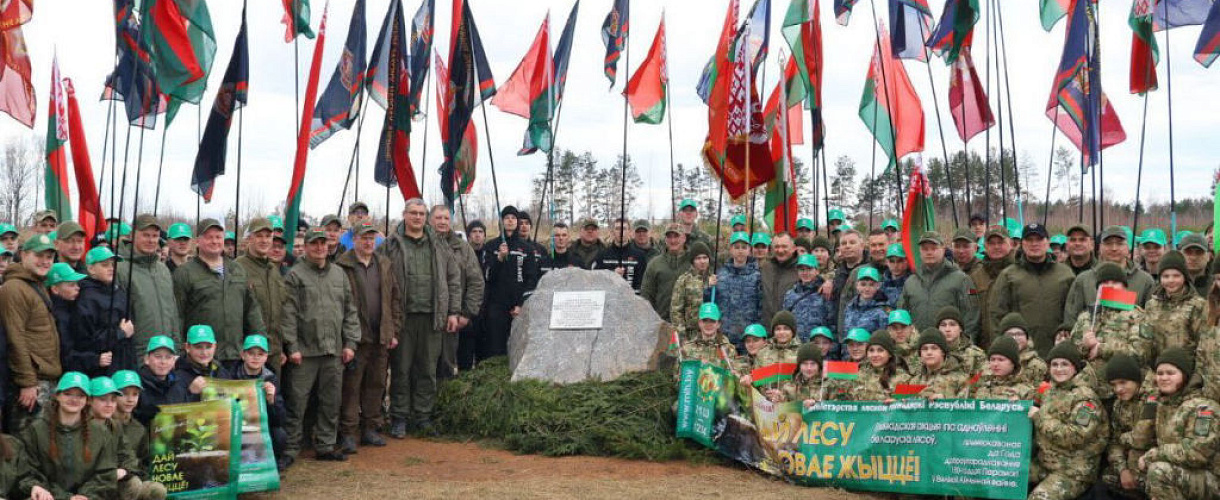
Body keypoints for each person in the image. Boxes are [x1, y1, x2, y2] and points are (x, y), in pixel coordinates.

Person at [380, 200, 461, 437]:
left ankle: (423, 416)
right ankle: (399, 417)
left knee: (427, 369)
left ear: (426, 217)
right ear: (404, 215)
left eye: (421, 214)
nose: (417, 217)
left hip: (432, 318)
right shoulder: (390, 245)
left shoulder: (438, 244)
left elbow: (453, 279)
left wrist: (453, 312)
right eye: (413, 213)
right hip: (402, 319)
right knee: (401, 370)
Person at [282, 227, 360, 461]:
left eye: (323, 243)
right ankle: (291, 449)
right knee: (297, 403)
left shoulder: (339, 274)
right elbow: (289, 314)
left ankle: (325, 445)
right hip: (304, 353)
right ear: (305, 247)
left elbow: (350, 311)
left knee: (331, 401)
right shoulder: (295, 275)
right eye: (314, 244)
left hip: (333, 351)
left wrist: (350, 344)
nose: (319, 248)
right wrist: (292, 347)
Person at [335, 222, 401, 452]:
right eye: (363, 237)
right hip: (355, 338)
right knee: (351, 387)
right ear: (354, 240)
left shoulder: (383, 264)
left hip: (380, 335)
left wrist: (393, 330)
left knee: (376, 384)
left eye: (372, 238)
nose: (368, 242)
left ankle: (371, 429)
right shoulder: (342, 266)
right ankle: (348, 433)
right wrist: (345, 339)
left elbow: (394, 299)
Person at [173, 218, 266, 363]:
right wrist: (178, 351)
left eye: (218, 237)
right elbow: (177, 316)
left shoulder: (238, 270)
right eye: (209, 237)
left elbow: (252, 310)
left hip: (237, 355)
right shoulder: (184, 273)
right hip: (202, 357)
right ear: (198, 241)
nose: (215, 241)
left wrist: (259, 343)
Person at [17, 372, 117, 500]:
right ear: (57, 395)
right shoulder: (36, 430)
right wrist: (38, 487)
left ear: (87, 400)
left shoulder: (101, 432)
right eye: (68, 393)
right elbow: (27, 470)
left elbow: (106, 473)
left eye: (80, 395)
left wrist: (86, 495)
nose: (74, 399)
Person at [1028, 341, 1107, 500]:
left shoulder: (1086, 399)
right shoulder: (1050, 391)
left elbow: (1076, 436)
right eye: (1054, 364)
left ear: (1075, 367)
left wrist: (1040, 418)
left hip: (1074, 471)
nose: (1059, 369)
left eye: (1065, 364)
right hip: (1047, 464)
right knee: (1005, 477)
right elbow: (1029, 403)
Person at [0, 234, 63, 430]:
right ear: (24, 254)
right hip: (33, 384)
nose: (45, 261)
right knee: (27, 446)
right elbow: (14, 337)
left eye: (49, 257)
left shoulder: (35, 283)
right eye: (39, 255)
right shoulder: (14, 288)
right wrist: (27, 382)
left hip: (45, 379)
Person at [1141, 347, 1220, 500]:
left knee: (1159, 471)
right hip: (1183, 473)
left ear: (1185, 376)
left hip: (1210, 477)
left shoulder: (1203, 407)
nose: (1163, 378)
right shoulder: (1164, 404)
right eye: (1160, 373)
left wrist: (1153, 455)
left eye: (1170, 373)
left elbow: (1197, 454)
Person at [988, 224, 1075, 358]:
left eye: (1039, 239)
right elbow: (996, 315)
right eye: (1029, 240)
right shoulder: (1008, 275)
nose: (1034, 244)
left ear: (1047, 243)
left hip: (1058, 354)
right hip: (1021, 355)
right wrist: (1002, 350)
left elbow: (1074, 314)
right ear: (1022, 244)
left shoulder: (1065, 274)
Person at [1071, 263, 1151, 400]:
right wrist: (1084, 345)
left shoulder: (1136, 316)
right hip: (1090, 391)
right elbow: (1071, 354)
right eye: (1104, 283)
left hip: (1123, 392)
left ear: (1124, 287)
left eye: (1115, 282)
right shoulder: (1087, 316)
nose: (1109, 286)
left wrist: (1102, 348)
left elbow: (1140, 353)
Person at [88, 375, 166, 500]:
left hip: (126, 477)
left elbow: (139, 460)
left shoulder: (138, 428)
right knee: (132, 485)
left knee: (155, 489)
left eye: (135, 394)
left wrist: (128, 472)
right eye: (124, 394)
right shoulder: (89, 424)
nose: (130, 399)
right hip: (98, 482)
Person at [429, 206, 483, 379]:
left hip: (452, 318)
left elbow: (476, 282)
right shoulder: (422, 244)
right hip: (426, 316)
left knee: (446, 365)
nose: (443, 222)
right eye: (438, 218)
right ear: (430, 220)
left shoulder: (463, 248)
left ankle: (443, 401)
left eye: (446, 218)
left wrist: (467, 313)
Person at [897, 231, 980, 341]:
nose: (929, 252)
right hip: (918, 348)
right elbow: (902, 315)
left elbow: (971, 316)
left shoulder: (961, 279)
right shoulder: (910, 282)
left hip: (950, 348)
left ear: (943, 250)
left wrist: (964, 344)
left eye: (933, 248)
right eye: (925, 249)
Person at [118, 214, 183, 353]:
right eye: (145, 235)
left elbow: (173, 312)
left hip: (167, 353)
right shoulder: (120, 269)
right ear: (132, 236)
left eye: (154, 236)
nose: (151, 240)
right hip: (139, 354)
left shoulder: (163, 270)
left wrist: (177, 347)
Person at [1064, 225, 1156, 322]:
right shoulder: (1083, 279)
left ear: (1128, 247)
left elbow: (1151, 319)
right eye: (1108, 244)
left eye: (1120, 244)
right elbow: (1071, 317)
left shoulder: (1145, 280)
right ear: (1100, 247)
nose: (1114, 248)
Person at [224, 335, 290, 471]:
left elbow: (280, 420)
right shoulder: (229, 375)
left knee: (280, 435)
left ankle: (273, 462)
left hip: (259, 426)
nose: (256, 357)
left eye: (260, 354)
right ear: (243, 355)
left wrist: (271, 401)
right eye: (251, 353)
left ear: (266, 357)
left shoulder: (271, 378)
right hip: (235, 425)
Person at [67, 246, 136, 376]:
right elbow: (85, 342)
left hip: (124, 363)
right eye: (105, 265)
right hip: (100, 370)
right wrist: (120, 333)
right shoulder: (85, 298)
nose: (111, 268)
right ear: (91, 269)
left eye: (112, 265)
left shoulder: (119, 291)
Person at [236, 217, 288, 378]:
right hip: (249, 353)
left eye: (268, 236)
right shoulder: (237, 268)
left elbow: (281, 311)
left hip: (273, 351)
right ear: (249, 238)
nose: (264, 240)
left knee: (272, 398)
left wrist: (281, 348)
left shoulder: (274, 270)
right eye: (259, 236)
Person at [1101, 354, 1154, 500]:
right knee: (1107, 478)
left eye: (1123, 382)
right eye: (1113, 385)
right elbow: (1114, 442)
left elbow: (1143, 438)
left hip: (1151, 462)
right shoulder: (1118, 405)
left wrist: (1123, 438)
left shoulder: (1153, 398)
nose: (1118, 389)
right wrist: (1122, 469)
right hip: (1131, 463)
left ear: (1136, 380)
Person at [1144, 251, 1207, 364]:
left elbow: (1203, 344)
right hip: (1158, 370)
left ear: (1184, 277)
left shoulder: (1197, 305)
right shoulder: (1151, 305)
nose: (1171, 280)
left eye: (1176, 275)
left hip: (1186, 369)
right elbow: (1146, 341)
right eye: (1166, 276)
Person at [967, 226, 1015, 349]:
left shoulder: (1020, 272)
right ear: (985, 246)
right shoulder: (975, 276)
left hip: (1015, 346)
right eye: (991, 243)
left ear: (1011, 244)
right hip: (985, 348)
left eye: (1000, 242)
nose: (996, 247)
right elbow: (971, 313)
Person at [714, 232, 761, 351]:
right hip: (724, 336)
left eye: (744, 247)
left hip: (748, 337)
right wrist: (709, 288)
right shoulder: (720, 274)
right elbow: (713, 302)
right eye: (737, 247)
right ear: (731, 249)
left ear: (749, 250)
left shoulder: (757, 276)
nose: (740, 251)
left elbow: (761, 306)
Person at [133, 336, 191, 426]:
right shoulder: (137, 385)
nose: (163, 362)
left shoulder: (179, 386)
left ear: (173, 361)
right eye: (158, 356)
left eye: (168, 357)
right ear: (147, 359)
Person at [640, 224, 691, 322]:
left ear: (684, 238)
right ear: (665, 239)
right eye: (669, 237)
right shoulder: (654, 264)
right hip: (661, 322)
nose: (673, 241)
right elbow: (646, 295)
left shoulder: (693, 262)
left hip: (687, 325)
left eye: (676, 236)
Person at [900, 329, 969, 399]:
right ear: (920, 354)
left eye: (934, 348)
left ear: (943, 352)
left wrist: (944, 400)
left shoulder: (961, 379)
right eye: (924, 349)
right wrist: (895, 404)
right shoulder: (914, 382)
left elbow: (968, 407)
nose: (929, 352)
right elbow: (906, 406)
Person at [960, 336, 1034, 400]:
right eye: (992, 359)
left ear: (1013, 363)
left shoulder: (1026, 391)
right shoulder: (980, 386)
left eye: (1001, 360)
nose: (995, 364)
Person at [751, 312, 801, 403]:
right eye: (778, 329)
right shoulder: (763, 353)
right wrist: (767, 394)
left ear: (793, 331)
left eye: (786, 329)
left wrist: (784, 395)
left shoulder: (802, 353)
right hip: (765, 405)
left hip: (792, 406)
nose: (782, 332)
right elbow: (757, 382)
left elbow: (806, 384)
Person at [782, 254, 830, 343]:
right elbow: (785, 323)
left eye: (809, 269)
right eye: (802, 269)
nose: (805, 273)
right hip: (795, 347)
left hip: (818, 346)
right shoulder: (790, 294)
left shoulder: (825, 292)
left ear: (817, 271)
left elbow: (832, 323)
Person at [670, 242, 713, 341]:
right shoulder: (684, 280)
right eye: (698, 258)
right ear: (693, 261)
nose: (702, 261)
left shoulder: (714, 279)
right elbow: (676, 311)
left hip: (711, 333)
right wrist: (682, 337)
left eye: (705, 257)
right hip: (691, 335)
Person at [592, 218, 649, 291]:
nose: (621, 232)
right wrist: (612, 274)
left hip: (632, 300)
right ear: (612, 232)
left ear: (629, 232)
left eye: (624, 229)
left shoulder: (639, 256)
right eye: (617, 229)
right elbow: (595, 280)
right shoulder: (602, 255)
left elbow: (643, 283)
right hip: (609, 299)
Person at [995, 313, 1048, 386]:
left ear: (1027, 337)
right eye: (1010, 335)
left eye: (1019, 334)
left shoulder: (1037, 365)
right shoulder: (993, 363)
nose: (1015, 338)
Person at [677, 304, 734, 369]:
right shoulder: (686, 349)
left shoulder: (728, 350)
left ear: (718, 324)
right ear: (699, 323)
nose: (708, 324)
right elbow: (677, 375)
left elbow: (734, 375)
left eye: (712, 321)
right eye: (705, 320)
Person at [760, 232, 800, 323]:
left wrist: (828, 281)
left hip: (790, 330)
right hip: (766, 329)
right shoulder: (765, 267)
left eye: (784, 246)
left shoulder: (802, 269)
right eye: (777, 247)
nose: (780, 250)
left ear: (793, 248)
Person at [841, 267, 889, 342]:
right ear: (857, 285)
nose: (867, 289)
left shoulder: (883, 310)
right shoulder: (850, 307)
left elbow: (884, 340)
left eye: (871, 285)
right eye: (863, 284)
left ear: (878, 286)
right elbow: (845, 334)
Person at [937, 306, 985, 377]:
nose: (947, 329)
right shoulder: (930, 353)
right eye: (943, 325)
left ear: (960, 329)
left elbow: (985, 380)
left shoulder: (976, 355)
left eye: (952, 324)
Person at [173, 325, 224, 392]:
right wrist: (190, 392)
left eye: (208, 347)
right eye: (198, 347)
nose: (204, 352)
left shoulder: (220, 372)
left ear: (215, 346)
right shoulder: (176, 377)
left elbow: (236, 398)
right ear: (187, 347)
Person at [783, 343, 822, 407]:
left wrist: (817, 405)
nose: (809, 368)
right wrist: (778, 399)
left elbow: (837, 409)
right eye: (805, 364)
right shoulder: (789, 386)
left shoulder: (829, 385)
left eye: (813, 364)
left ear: (819, 366)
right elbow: (783, 411)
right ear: (799, 366)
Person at [879, 244, 908, 309]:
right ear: (886, 262)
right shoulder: (880, 284)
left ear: (905, 261)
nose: (895, 265)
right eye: (891, 261)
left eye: (899, 261)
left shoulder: (912, 283)